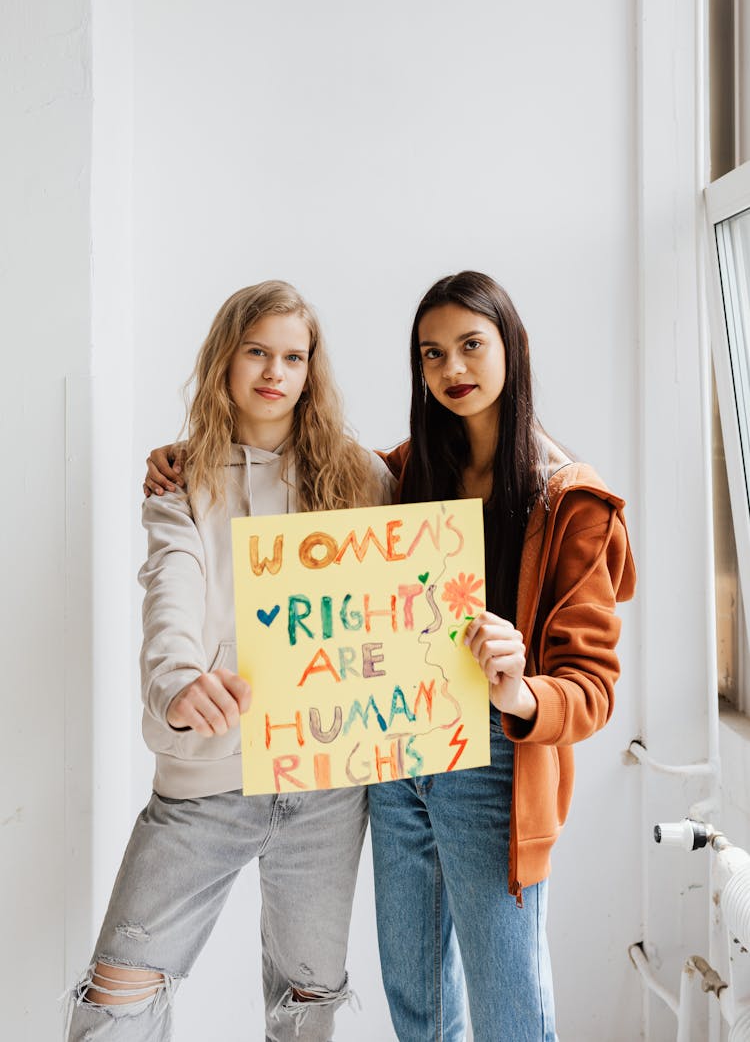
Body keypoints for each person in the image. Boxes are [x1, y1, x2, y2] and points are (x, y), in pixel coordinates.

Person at [144, 271, 636, 1042]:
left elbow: (594, 685)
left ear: (516, 349)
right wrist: (199, 452)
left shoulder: (568, 498)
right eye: (432, 353)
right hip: (394, 751)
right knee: (416, 1000)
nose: (452, 368)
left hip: (494, 761)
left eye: (471, 345)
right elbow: (296, 465)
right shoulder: (405, 472)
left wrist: (523, 692)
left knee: (510, 1006)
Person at [67, 280, 393, 1042]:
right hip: (205, 780)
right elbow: (169, 592)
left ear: (312, 370)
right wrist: (176, 683)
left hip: (325, 786)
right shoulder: (183, 480)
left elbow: (409, 578)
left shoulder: (361, 478)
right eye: (257, 351)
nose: (274, 371)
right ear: (225, 358)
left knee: (307, 1006)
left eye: (293, 356)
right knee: (116, 997)